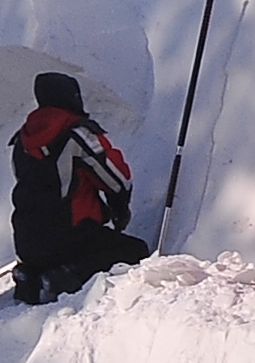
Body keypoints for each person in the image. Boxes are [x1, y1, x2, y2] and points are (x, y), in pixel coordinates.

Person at [11, 71, 152, 301]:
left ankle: (31, 274)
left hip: (25, 239)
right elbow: (117, 179)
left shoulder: (21, 140)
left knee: (53, 247)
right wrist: (119, 209)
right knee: (134, 251)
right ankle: (64, 276)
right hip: (69, 235)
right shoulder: (76, 133)